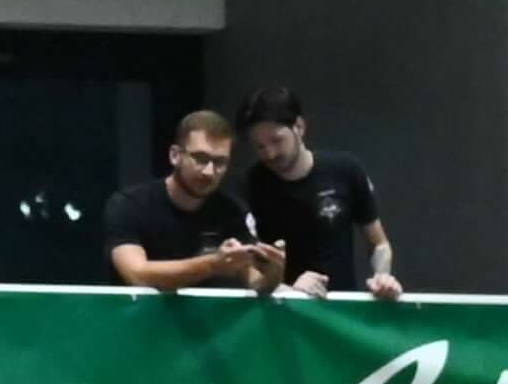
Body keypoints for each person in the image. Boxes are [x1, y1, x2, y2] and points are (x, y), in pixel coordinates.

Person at [233, 90, 399, 299]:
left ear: (299, 127)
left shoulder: (345, 170)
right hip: (282, 309)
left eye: (276, 140)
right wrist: (289, 291)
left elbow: (379, 244)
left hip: (342, 309)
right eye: (259, 146)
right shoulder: (250, 185)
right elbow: (247, 269)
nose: (270, 153)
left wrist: (382, 277)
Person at [103, 108, 285, 295]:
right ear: (175, 155)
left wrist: (273, 274)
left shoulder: (233, 211)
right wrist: (212, 264)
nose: (209, 172)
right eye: (200, 158)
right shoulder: (130, 205)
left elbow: (256, 282)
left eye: (219, 162)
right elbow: (137, 274)